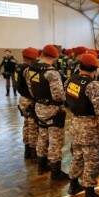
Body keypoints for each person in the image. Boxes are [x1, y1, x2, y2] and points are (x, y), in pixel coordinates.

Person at [66, 54, 99, 197]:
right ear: (95, 69)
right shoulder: (93, 85)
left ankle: (73, 185)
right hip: (90, 127)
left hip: (75, 123)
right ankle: (90, 195)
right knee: (92, 160)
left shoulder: (71, 79)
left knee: (77, 155)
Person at [27, 44, 68, 180]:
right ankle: (56, 173)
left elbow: (30, 88)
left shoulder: (31, 68)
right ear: (54, 57)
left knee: (42, 136)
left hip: (38, 107)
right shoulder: (52, 72)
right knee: (55, 140)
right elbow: (59, 96)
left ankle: (41, 165)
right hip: (52, 109)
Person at [16, 48, 40, 159]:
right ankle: (33, 152)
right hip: (29, 100)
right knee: (33, 127)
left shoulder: (18, 67)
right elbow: (32, 88)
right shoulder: (28, 70)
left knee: (26, 125)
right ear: (32, 58)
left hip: (22, 99)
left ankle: (27, 150)